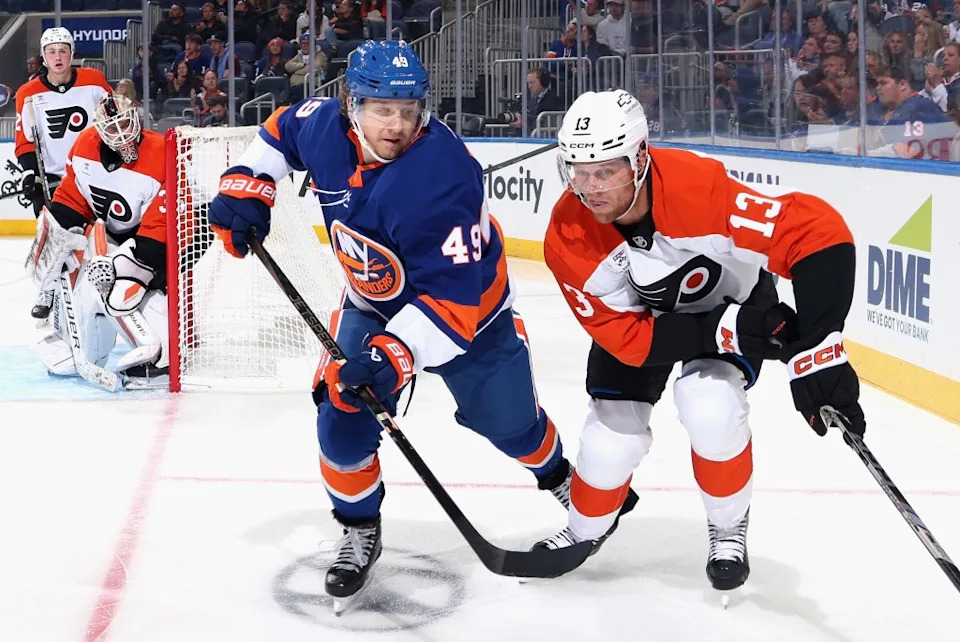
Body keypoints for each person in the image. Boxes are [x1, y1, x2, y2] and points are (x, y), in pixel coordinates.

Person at [206, 40, 625, 610]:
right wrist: (249, 183)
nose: (398, 124)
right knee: (341, 412)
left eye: (409, 109)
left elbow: (452, 307)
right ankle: (359, 527)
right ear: (352, 106)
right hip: (370, 302)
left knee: (510, 425)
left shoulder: (443, 177)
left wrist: (391, 358)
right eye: (383, 109)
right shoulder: (323, 124)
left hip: (473, 315)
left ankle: (556, 474)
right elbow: (280, 130)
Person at [535, 90, 864, 598]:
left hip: (732, 298)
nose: (590, 188)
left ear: (640, 158)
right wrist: (717, 330)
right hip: (649, 326)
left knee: (709, 405)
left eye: (606, 171)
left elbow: (816, 230)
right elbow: (627, 339)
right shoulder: (568, 235)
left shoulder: (698, 189)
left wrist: (820, 347)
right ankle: (584, 529)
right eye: (577, 171)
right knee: (608, 443)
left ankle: (728, 526)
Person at [25, 93, 169, 387]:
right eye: (112, 128)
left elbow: (160, 225)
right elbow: (73, 196)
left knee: (127, 295)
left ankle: (157, 354)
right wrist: (61, 226)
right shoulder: (85, 145)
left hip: (151, 241)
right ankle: (53, 300)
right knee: (53, 233)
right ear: (100, 130)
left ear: (137, 120)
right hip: (109, 235)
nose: (122, 134)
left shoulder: (161, 151)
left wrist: (139, 266)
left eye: (126, 124)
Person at [15, 28, 112, 320]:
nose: (57, 57)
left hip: (94, 174)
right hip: (55, 179)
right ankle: (47, 290)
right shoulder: (28, 93)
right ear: (43, 58)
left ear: (72, 53)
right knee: (51, 238)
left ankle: (106, 292)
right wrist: (31, 172)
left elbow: (111, 122)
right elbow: (25, 140)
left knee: (104, 236)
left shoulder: (94, 81)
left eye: (63, 50)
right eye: (51, 52)